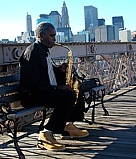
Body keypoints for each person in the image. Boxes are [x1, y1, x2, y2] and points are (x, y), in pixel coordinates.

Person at [18, 22, 88, 151]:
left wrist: (59, 70)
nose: (54, 39)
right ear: (41, 35)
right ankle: (46, 133)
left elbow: (46, 72)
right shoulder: (32, 52)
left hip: (43, 90)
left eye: (54, 36)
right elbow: (33, 82)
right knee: (68, 96)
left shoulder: (43, 51)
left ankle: (68, 125)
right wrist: (57, 88)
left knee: (75, 88)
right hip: (32, 95)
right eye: (52, 36)